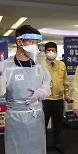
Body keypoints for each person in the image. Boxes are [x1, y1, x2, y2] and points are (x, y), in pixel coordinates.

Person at [0, 25, 51, 154]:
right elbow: (1, 92)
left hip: (36, 118)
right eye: (31, 42)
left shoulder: (39, 66)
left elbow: (48, 86)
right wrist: (0, 76)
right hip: (16, 119)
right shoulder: (7, 66)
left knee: (37, 148)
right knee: (17, 149)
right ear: (19, 42)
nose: (35, 46)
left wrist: (41, 93)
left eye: (36, 43)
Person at [42, 42, 70, 153]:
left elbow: (65, 81)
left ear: (56, 52)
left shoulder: (61, 65)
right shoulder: (40, 65)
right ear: (45, 52)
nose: (51, 52)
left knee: (57, 124)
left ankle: (57, 144)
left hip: (58, 99)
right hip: (45, 100)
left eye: (53, 50)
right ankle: (42, 145)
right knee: (42, 125)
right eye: (48, 50)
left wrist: (67, 95)